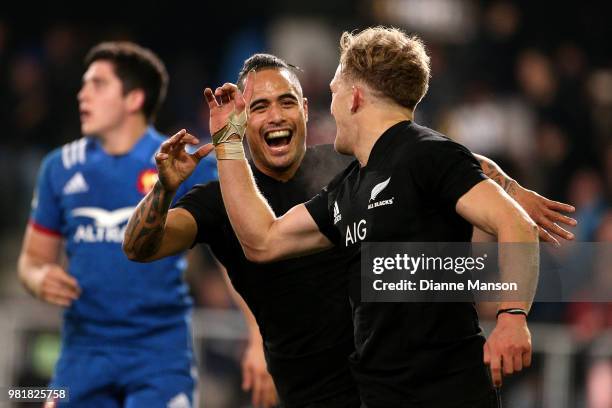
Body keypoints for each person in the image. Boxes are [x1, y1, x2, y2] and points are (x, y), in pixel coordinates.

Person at [124, 53, 576, 407]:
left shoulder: (348, 164)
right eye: (259, 107)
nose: (276, 116)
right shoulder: (220, 196)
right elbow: (140, 247)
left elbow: (438, 156)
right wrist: (162, 190)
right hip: (311, 394)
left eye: (286, 102)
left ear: (305, 109)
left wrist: (512, 190)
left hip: (388, 385)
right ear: (242, 123)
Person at [17, 41, 218, 407]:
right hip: (83, 353)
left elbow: (233, 256)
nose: (82, 95)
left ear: (134, 99)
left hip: (159, 353)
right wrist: (39, 278)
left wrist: (255, 336)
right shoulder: (59, 168)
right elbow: (31, 262)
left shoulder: (182, 166)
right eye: (82, 85)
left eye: (97, 84)